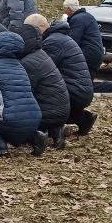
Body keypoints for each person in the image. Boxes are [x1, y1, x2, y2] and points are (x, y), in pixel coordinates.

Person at [29, 14, 95, 144]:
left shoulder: (52, 42)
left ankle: (54, 128)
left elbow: (43, 70)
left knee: (43, 93)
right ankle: (82, 118)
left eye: (31, 30)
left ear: (41, 27)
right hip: (81, 90)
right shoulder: (60, 38)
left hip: (75, 91)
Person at [13, 22, 69, 155]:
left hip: (48, 113)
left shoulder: (28, 62)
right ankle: (56, 131)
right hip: (61, 111)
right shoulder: (41, 54)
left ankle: (36, 136)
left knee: (11, 115)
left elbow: (24, 94)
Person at [64, 0, 112, 99]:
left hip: (88, 55)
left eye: (65, 9)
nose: (65, 12)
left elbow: (73, 40)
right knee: (86, 84)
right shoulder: (87, 16)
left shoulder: (77, 19)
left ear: (69, 9)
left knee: (83, 86)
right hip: (95, 54)